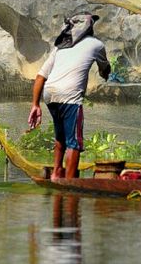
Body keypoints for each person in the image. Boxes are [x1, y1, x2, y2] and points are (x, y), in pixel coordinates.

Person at [28, 12, 110, 180]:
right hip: (70, 97)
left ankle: (57, 172)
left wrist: (35, 105)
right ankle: (70, 183)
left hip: (49, 94)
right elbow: (105, 69)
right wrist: (106, 73)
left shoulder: (60, 47)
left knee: (61, 137)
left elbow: (40, 77)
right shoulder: (96, 44)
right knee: (74, 143)